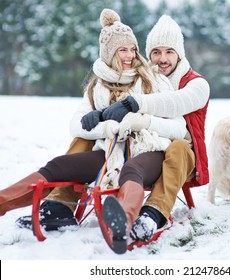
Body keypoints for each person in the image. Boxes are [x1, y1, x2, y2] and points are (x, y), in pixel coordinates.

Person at [0, 9, 187, 254]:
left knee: (132, 170)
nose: (130, 55)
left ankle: (124, 224)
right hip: (110, 151)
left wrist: (142, 121)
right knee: (59, 165)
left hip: (150, 149)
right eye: (123, 50)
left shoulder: (154, 80)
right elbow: (75, 125)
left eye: (133, 49)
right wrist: (104, 125)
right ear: (109, 53)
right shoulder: (97, 87)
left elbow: (179, 127)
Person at [101, 15, 210, 242]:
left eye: (169, 51)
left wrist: (136, 104)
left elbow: (174, 103)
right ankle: (60, 205)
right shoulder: (141, 78)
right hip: (145, 152)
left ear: (179, 53)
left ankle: (154, 214)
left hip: (184, 158)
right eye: (156, 52)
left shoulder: (197, 84)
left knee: (178, 147)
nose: (162, 59)